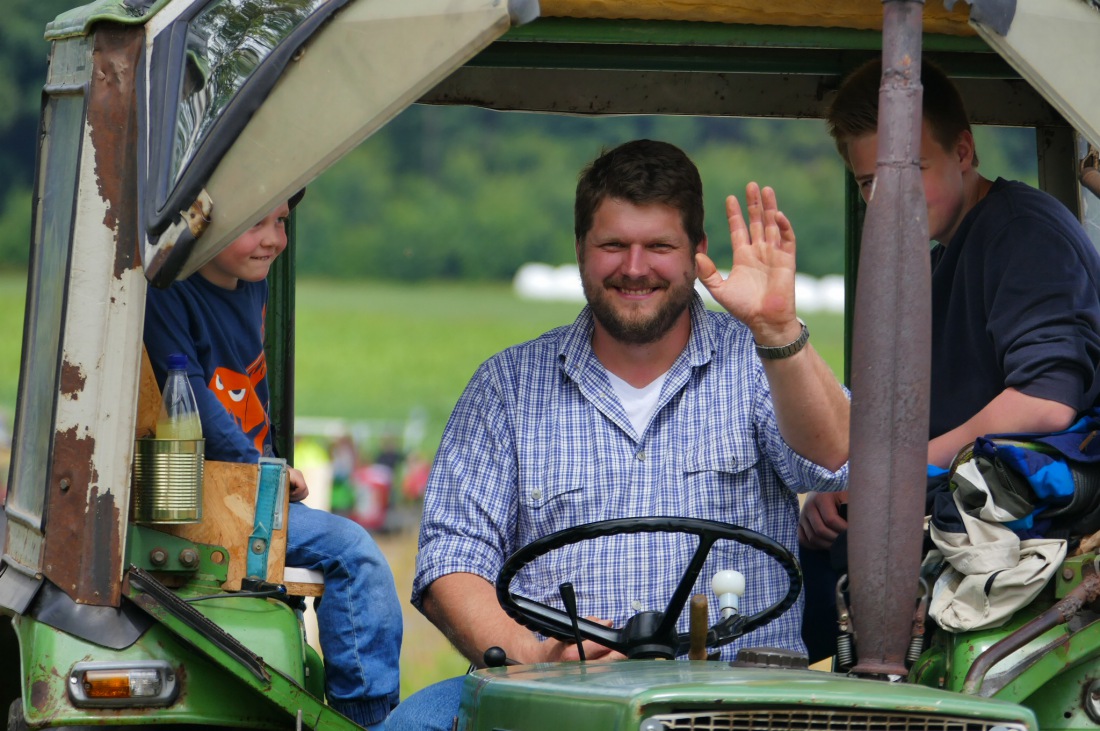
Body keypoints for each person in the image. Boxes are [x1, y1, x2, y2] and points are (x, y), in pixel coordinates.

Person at [386, 139, 850, 730]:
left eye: (659, 246)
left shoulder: (759, 363)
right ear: (580, 250)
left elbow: (839, 457)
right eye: (613, 245)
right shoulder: (508, 386)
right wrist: (533, 658)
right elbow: (452, 559)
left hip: (737, 701)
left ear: (698, 253)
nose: (634, 268)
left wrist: (777, 327)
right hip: (557, 702)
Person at [798, 58, 1100, 661]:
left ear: (964, 151)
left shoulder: (1021, 232)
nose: (888, 201)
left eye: (910, 171)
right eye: (869, 184)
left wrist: (889, 480)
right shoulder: (940, 263)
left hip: (1025, 538)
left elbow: (1044, 404)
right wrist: (852, 490)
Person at [143, 195, 403, 728]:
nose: (274, 240)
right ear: (205, 224)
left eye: (280, 222)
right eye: (254, 222)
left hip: (250, 484)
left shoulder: (252, 285)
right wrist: (266, 470)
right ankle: (369, 719)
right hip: (203, 492)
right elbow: (189, 397)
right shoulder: (167, 294)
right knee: (354, 552)